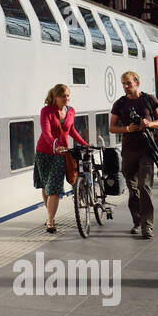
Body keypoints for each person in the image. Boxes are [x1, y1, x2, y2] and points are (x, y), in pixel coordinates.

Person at [109, 71, 158, 239]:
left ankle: (147, 226)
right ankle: (138, 221)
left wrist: (150, 123)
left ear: (137, 82)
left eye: (128, 83)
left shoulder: (149, 99)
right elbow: (111, 127)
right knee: (133, 189)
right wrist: (127, 129)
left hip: (147, 150)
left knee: (144, 187)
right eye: (123, 84)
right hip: (128, 151)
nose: (126, 86)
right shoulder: (119, 103)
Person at [34, 84, 89, 233]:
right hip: (44, 152)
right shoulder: (46, 111)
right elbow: (46, 132)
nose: (66, 98)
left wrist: (85, 143)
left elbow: (71, 131)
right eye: (63, 96)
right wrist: (54, 145)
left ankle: (50, 221)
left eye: (68, 95)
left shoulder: (71, 111)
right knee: (46, 185)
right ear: (55, 97)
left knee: (54, 189)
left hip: (61, 154)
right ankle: (49, 216)